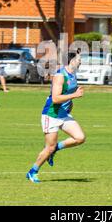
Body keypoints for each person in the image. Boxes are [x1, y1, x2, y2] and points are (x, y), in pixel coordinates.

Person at [26, 52, 85, 183]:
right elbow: (55, 98)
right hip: (51, 115)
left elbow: (67, 94)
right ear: (72, 61)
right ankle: (32, 171)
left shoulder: (73, 74)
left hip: (63, 114)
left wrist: (71, 104)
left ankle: (56, 149)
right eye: (79, 60)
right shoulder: (60, 76)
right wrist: (75, 95)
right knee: (49, 147)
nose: (81, 62)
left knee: (80, 138)